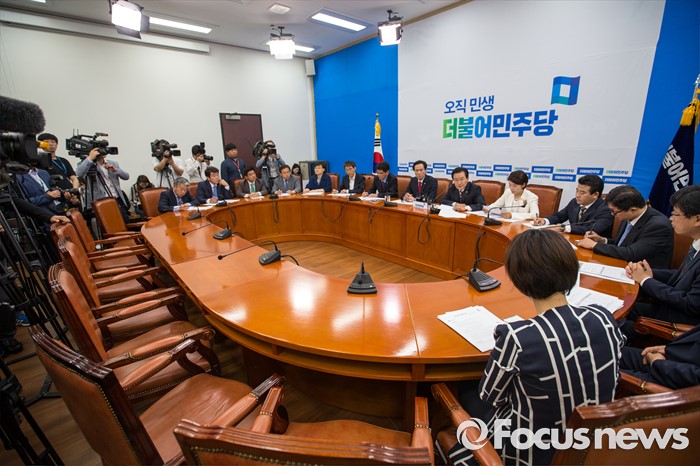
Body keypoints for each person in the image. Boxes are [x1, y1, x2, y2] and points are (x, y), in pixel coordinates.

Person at [450, 229, 624, 466]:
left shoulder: (518, 337)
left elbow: (490, 396)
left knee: (467, 390)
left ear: (518, 281)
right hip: (592, 446)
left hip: (533, 453)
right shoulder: (603, 317)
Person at [623, 184, 700, 333]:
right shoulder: (696, 243)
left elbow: (691, 304)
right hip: (668, 307)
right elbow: (683, 275)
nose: (671, 219)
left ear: (697, 219)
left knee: (609, 322)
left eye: (675, 214)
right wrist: (648, 273)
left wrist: (646, 280)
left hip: (678, 324)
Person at [576, 185, 673, 268]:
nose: (612, 214)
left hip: (642, 273)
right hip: (620, 265)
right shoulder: (628, 215)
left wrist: (595, 245)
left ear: (633, 210)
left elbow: (631, 253)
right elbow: (623, 244)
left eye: (614, 211)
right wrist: (602, 240)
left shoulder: (658, 226)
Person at [620, 324, 700, 389]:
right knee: (616, 352)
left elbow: (695, 378)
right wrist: (669, 349)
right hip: (677, 358)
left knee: (611, 371)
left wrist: (658, 363)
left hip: (677, 382)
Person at [532, 174, 613, 237]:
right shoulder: (574, 202)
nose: (577, 195)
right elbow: (559, 216)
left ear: (595, 194)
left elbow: (593, 229)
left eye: (582, 193)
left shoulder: (606, 209)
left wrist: (564, 228)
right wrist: (544, 221)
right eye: (577, 191)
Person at [76, 147, 131, 222]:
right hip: (100, 200)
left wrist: (116, 170)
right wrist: (90, 158)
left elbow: (126, 176)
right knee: (106, 224)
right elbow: (79, 173)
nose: (104, 152)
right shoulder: (89, 164)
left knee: (124, 221)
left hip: (116, 198)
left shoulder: (113, 163)